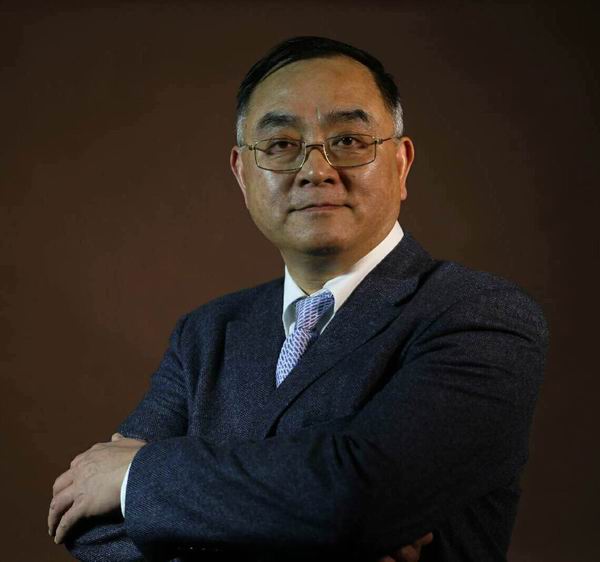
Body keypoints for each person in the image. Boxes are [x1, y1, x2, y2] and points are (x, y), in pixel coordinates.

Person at [48, 36, 549, 562]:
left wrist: (136, 479)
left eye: (349, 140)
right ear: (242, 174)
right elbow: (90, 524)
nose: (316, 170)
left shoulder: (480, 316)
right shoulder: (206, 334)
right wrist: (320, 532)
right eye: (281, 145)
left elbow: (361, 495)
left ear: (401, 164)